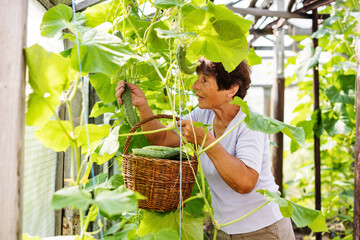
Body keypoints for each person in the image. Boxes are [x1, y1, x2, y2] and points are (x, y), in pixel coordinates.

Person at [115, 57, 295, 240]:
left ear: (231, 89)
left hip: (264, 230)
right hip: (225, 230)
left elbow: (245, 183)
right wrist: (142, 105)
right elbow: (161, 139)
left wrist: (206, 141)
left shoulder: (249, 123)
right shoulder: (203, 114)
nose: (195, 86)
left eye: (204, 80)